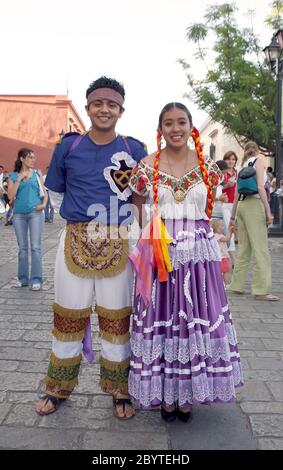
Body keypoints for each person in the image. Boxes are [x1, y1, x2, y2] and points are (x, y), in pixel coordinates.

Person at [35, 76, 147, 420]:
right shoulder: (68, 147)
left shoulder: (135, 150)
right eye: (98, 103)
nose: (104, 109)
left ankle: (119, 389)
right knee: (68, 316)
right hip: (74, 242)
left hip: (120, 241)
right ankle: (58, 386)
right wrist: (80, 218)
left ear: (121, 110)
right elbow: (56, 193)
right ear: (87, 108)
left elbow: (142, 199)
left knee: (117, 319)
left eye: (111, 104)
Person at [128, 102, 243, 422]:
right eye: (168, 123)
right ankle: (166, 395)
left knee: (194, 319)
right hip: (161, 253)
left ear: (191, 126)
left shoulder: (209, 167)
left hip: (198, 258)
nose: (175, 128)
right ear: (160, 129)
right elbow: (137, 203)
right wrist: (147, 236)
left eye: (181, 122)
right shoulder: (146, 165)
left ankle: (187, 394)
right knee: (162, 320)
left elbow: (212, 206)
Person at [228, 141, 279, 301]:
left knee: (244, 249)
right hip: (254, 204)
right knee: (261, 248)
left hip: (242, 205)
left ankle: (236, 285)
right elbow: (259, 187)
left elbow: (236, 193)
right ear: (257, 151)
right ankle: (261, 290)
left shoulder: (241, 165)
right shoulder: (259, 161)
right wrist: (268, 211)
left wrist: (232, 216)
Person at [7, 148, 47, 290]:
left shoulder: (38, 173)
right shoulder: (13, 176)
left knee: (35, 247)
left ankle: (36, 280)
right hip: (18, 215)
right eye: (30, 157)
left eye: (34, 157)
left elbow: (44, 192)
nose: (33, 159)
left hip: (35, 214)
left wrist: (43, 204)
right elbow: (10, 196)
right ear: (22, 159)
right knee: (22, 248)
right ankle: (23, 279)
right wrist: (18, 179)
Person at [222, 151, 238, 267]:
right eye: (228, 159)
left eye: (233, 159)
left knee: (237, 230)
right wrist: (227, 186)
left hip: (236, 204)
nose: (231, 161)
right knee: (229, 230)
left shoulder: (237, 173)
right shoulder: (222, 173)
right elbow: (217, 189)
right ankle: (233, 259)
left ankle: (230, 257)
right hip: (225, 205)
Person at [211, 219, 234, 285]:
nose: (223, 227)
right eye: (221, 226)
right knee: (226, 272)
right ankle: (227, 284)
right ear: (216, 228)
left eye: (223, 226)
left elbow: (227, 242)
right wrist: (229, 231)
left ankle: (222, 284)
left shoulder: (217, 236)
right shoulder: (218, 236)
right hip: (222, 258)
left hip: (220, 257)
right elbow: (226, 239)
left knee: (222, 272)